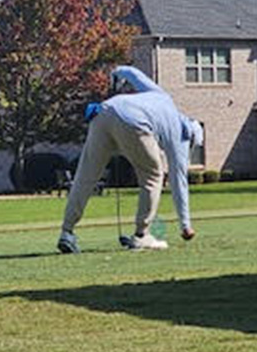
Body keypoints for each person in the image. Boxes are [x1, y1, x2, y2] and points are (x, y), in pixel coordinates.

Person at [57, 65, 202, 253]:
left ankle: (67, 232)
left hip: (103, 112)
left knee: (86, 175)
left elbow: (134, 75)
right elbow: (178, 180)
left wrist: (117, 72)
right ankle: (142, 235)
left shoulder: (164, 97)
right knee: (154, 176)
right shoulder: (181, 135)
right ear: (191, 137)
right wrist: (185, 224)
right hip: (133, 121)